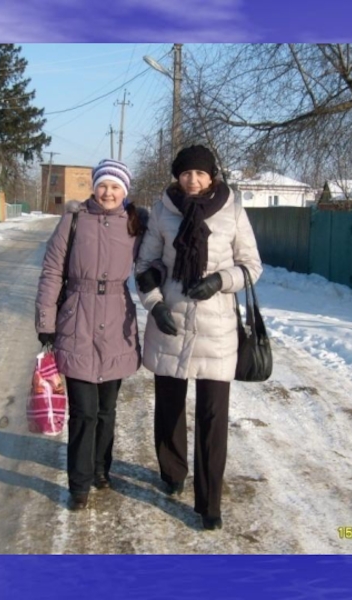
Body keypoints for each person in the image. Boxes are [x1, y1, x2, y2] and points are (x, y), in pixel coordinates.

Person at [135, 145, 263, 531]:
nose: (193, 180)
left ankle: (209, 503)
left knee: (213, 416)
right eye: (186, 173)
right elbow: (145, 264)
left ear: (212, 176)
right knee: (169, 405)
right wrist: (154, 304)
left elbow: (252, 266)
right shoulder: (163, 211)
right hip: (171, 319)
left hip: (217, 326)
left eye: (200, 173)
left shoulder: (232, 210)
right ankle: (172, 472)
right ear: (177, 175)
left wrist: (221, 281)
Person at [35, 158, 147, 511]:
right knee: (84, 411)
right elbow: (52, 271)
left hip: (117, 322)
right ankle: (79, 484)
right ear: (94, 187)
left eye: (115, 187)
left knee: (106, 410)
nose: (108, 192)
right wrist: (46, 322)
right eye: (103, 185)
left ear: (124, 191)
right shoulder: (73, 219)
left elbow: (154, 263)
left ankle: (101, 468)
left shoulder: (136, 224)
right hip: (77, 320)